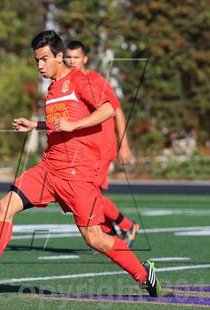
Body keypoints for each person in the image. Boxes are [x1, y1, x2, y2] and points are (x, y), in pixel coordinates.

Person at [0, 30, 161, 297]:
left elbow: (108, 108)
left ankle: (144, 275)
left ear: (59, 56)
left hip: (77, 174)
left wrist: (76, 124)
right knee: (5, 205)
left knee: (94, 238)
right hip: (50, 168)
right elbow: (60, 123)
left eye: (45, 59)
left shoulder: (80, 81)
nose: (40, 65)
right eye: (37, 60)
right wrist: (36, 125)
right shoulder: (52, 88)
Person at [65, 40, 139, 247]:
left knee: (89, 193)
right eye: (68, 57)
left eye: (76, 57)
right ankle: (110, 234)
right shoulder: (66, 82)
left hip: (102, 146)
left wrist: (124, 144)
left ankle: (125, 226)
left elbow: (117, 110)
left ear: (85, 59)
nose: (71, 61)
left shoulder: (94, 80)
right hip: (84, 149)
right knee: (82, 194)